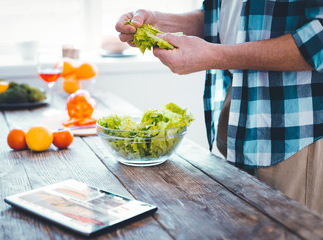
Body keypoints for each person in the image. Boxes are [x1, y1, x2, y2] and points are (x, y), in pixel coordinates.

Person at [115, 1, 323, 214]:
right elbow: (226, 18)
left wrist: (216, 56)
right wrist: (161, 22)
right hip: (238, 113)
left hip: (292, 132)